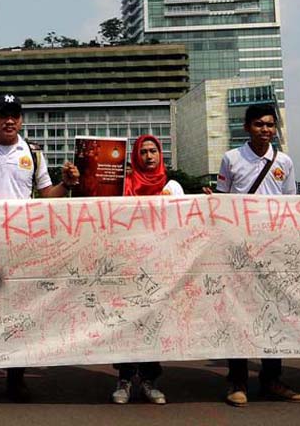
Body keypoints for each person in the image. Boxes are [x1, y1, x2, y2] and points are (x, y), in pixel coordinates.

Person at [0, 94, 80, 403]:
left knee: (19, 312)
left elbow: (47, 193)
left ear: (21, 119)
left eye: (15, 114)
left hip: (22, 244)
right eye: (3, 114)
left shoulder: (33, 153)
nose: (9, 120)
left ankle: (16, 378)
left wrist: (67, 185)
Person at [211, 103, 300, 407]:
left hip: (274, 250)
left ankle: (271, 379)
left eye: (270, 124)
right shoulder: (231, 158)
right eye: (258, 124)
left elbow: (290, 204)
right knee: (238, 314)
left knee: (273, 315)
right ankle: (237, 381)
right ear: (246, 127)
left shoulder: (285, 161)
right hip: (239, 249)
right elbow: (223, 202)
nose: (265, 129)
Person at [110, 134, 179, 406]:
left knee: (153, 324)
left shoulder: (172, 187)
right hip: (127, 266)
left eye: (153, 151)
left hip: (159, 267)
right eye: (143, 152)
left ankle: (149, 380)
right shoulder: (122, 186)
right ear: (134, 156)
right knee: (127, 323)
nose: (149, 157)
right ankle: (124, 379)